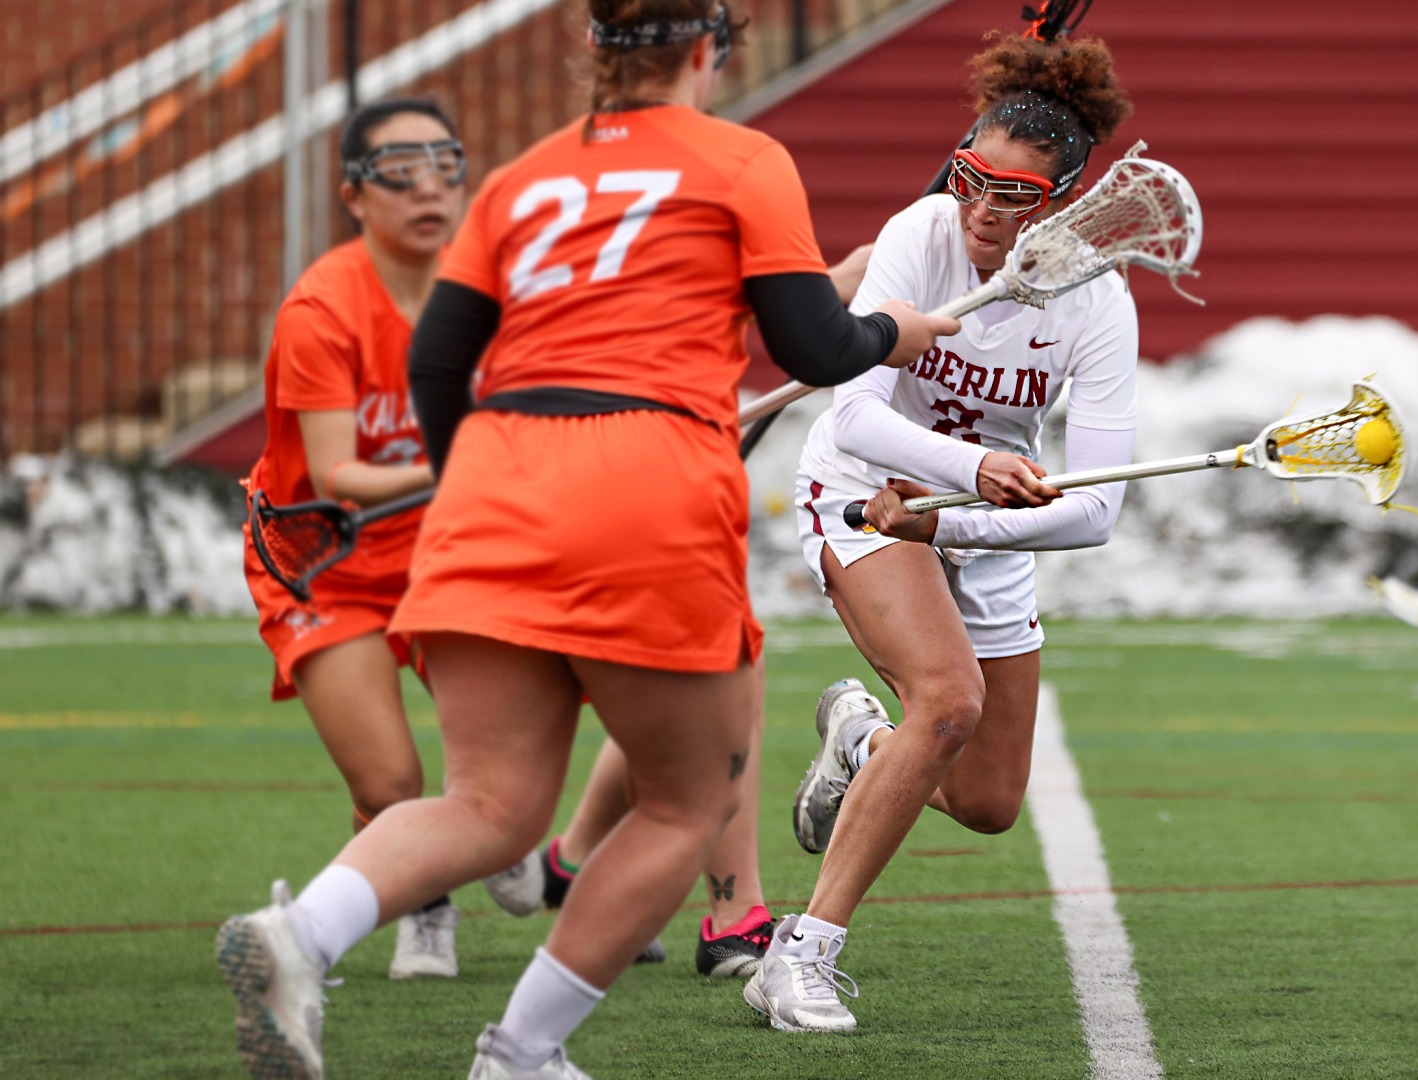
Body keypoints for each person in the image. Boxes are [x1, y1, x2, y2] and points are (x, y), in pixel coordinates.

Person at [214, 2, 957, 1077]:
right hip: (646, 486)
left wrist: (483, 477)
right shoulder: (745, 160)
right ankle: (521, 1052)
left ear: (599, 49)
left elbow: (439, 364)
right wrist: (895, 329)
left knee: (487, 804)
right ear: (704, 50)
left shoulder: (520, 180)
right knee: (685, 801)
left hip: (489, 488)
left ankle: (300, 937)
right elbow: (814, 345)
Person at [741, 30, 1136, 1032]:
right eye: (972, 180)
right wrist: (963, 478)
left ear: (1065, 201)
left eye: (1016, 195)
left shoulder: (1098, 302)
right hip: (863, 491)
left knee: (991, 801)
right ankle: (799, 957)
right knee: (950, 702)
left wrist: (959, 517)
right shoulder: (921, 233)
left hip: (971, 522)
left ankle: (862, 740)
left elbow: (1095, 509)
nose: (984, 211)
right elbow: (854, 415)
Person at [481, 241, 873, 981]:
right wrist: (852, 313)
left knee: (676, 676)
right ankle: (731, 916)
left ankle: (572, 863)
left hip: (628, 464)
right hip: (610, 474)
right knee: (717, 668)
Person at [238, 96, 469, 981]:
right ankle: (428, 899)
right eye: (398, 172)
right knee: (389, 783)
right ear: (354, 195)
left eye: (444, 165)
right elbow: (339, 476)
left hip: (442, 552)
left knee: (514, 748)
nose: (428, 188)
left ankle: (539, 858)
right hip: (323, 563)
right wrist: (464, 452)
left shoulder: (480, 294)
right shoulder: (322, 309)